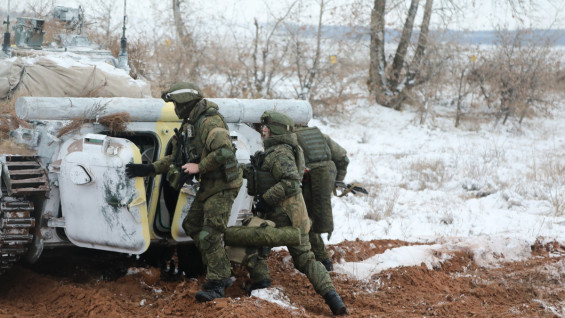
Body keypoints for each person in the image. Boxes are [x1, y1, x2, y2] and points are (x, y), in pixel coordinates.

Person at [125, 82, 242, 302]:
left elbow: (225, 151)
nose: (175, 109)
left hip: (224, 185)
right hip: (210, 184)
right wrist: (150, 168)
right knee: (192, 226)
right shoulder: (190, 124)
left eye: (176, 104)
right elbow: (177, 158)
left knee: (209, 234)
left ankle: (217, 283)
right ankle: (221, 270)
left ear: (186, 103)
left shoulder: (209, 121)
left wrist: (199, 167)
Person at [245, 110, 347, 316]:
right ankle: (334, 300)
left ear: (274, 130)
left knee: (252, 245)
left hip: (281, 213)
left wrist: (265, 199)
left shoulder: (279, 154)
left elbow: (290, 183)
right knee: (306, 259)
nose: (262, 130)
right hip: (296, 213)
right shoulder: (289, 149)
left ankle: (262, 288)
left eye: (266, 127)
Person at [295, 125, 349, 271]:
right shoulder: (319, 136)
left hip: (307, 184)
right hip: (324, 181)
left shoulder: (291, 138)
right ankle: (321, 258)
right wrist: (336, 181)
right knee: (314, 218)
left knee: (305, 221)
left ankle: (321, 259)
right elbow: (343, 158)